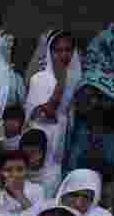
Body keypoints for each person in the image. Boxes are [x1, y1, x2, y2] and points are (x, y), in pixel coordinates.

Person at [64, 22, 114, 176]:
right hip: (87, 142)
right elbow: (84, 108)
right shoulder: (93, 70)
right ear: (113, 44)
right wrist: (110, 104)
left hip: (112, 144)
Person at [25, 30, 81, 166]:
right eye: (58, 50)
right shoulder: (39, 79)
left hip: (64, 135)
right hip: (40, 137)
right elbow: (40, 114)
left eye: (68, 50)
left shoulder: (77, 77)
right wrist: (61, 82)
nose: (63, 55)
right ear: (50, 52)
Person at [0, 150, 44, 214]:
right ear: (1, 172)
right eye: (8, 170)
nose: (15, 175)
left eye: (20, 169)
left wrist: (19, 194)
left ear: (27, 170)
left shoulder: (37, 190)